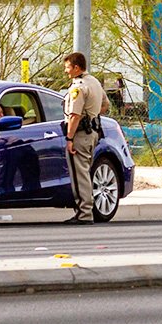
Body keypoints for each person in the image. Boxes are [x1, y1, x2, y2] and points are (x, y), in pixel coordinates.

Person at [61, 51, 109, 225]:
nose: (66, 71)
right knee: (85, 172)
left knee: (79, 173)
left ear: (76, 67)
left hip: (81, 135)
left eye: (68, 67)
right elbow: (105, 105)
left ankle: (84, 213)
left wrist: (69, 138)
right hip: (93, 133)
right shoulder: (94, 82)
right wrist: (92, 115)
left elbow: (74, 115)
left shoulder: (78, 88)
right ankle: (86, 211)